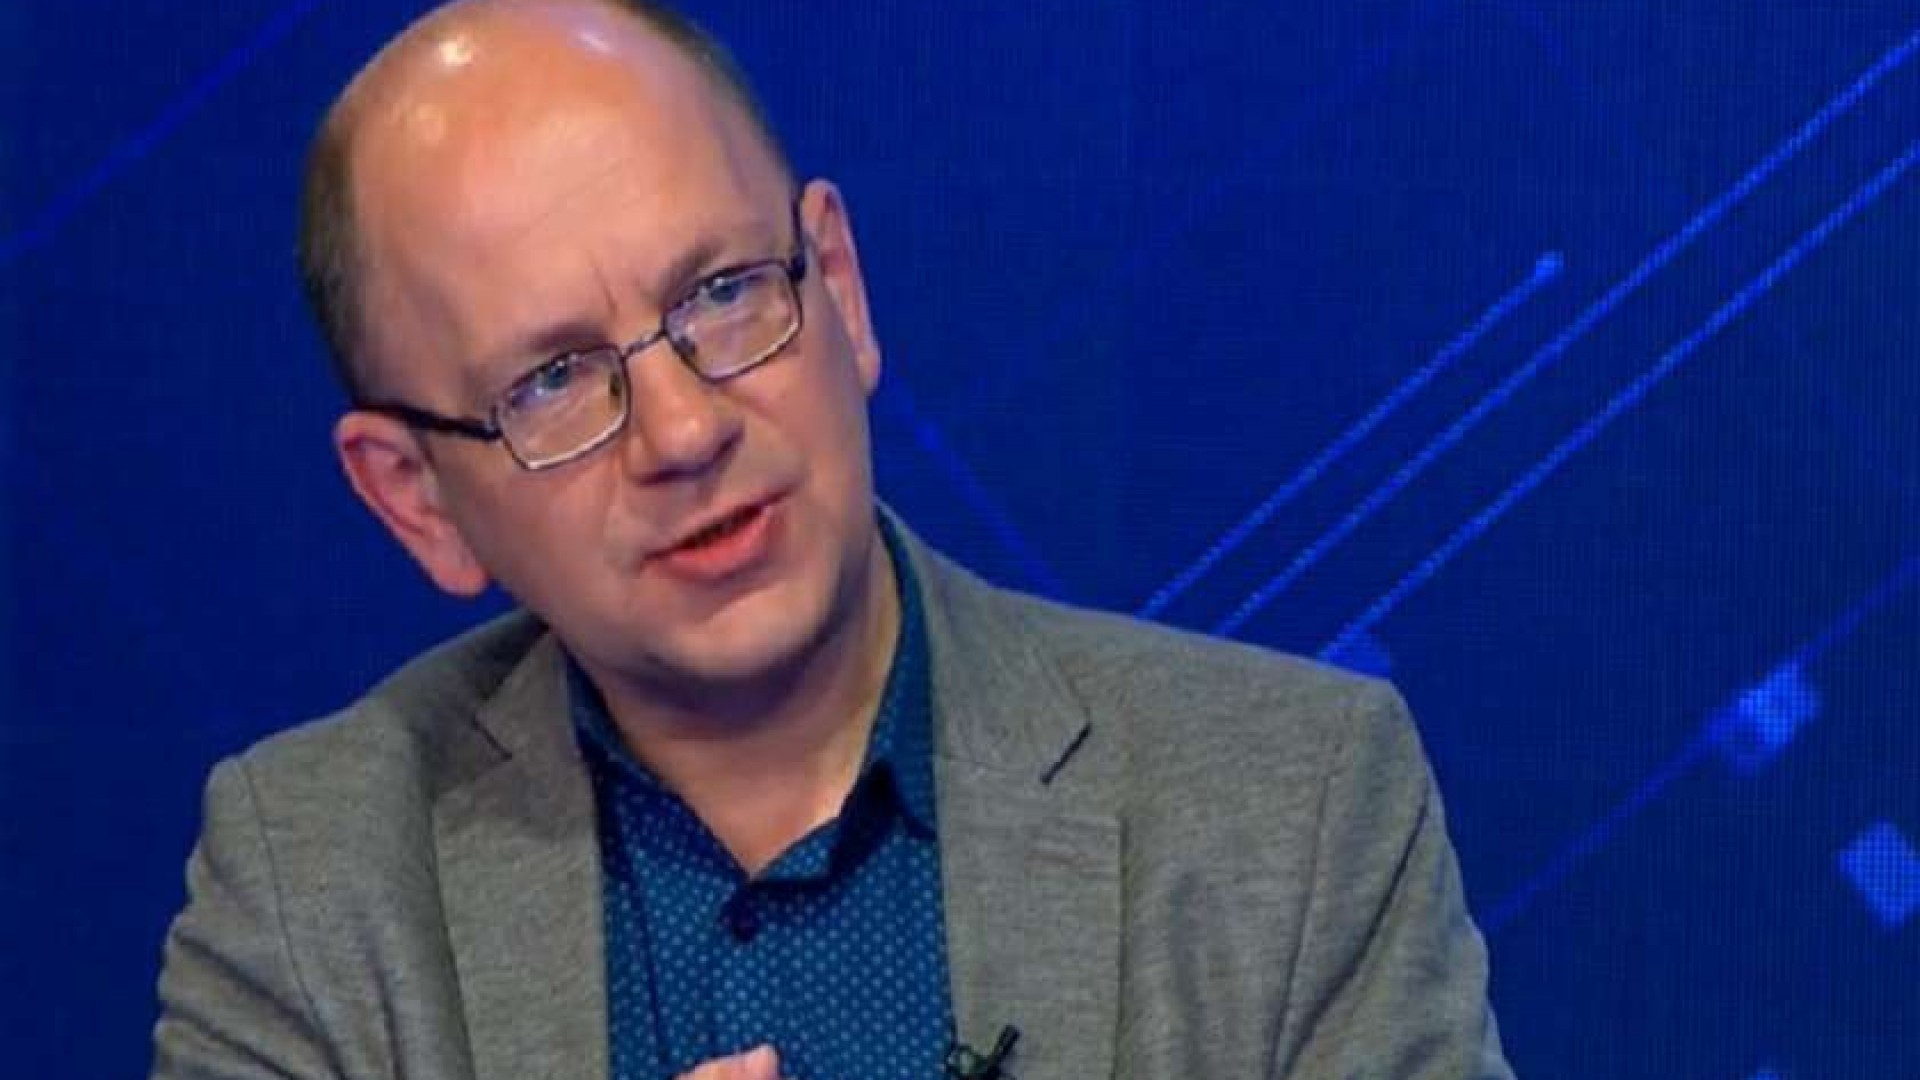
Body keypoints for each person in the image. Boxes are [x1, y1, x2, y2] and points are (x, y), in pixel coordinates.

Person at [150, 1, 1513, 1077]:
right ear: (419, 499)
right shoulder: (314, 888)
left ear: (842, 288)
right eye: (553, 381)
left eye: (723, 295)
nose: (685, 429)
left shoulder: (1293, 809)